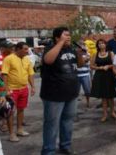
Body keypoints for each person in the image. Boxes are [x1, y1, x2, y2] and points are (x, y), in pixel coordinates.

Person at [40, 27, 84, 155]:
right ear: (57, 38)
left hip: (71, 93)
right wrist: (60, 43)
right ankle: (48, 150)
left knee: (67, 122)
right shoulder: (50, 48)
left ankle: (65, 145)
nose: (69, 37)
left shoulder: (71, 49)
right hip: (54, 95)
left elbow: (80, 65)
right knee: (51, 124)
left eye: (69, 35)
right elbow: (48, 60)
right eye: (65, 35)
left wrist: (80, 54)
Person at [1, 42, 35, 142]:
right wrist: (6, 89)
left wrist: (32, 86)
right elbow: (4, 75)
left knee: (21, 109)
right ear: (18, 49)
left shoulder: (27, 59)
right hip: (12, 90)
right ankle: (11, 134)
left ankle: (19, 129)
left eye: (27, 49)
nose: (27, 51)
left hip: (24, 89)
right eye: (25, 49)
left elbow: (30, 74)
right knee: (10, 111)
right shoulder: (9, 58)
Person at [90, 39, 116, 122]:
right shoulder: (95, 54)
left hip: (109, 76)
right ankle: (105, 114)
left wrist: (108, 66)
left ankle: (112, 112)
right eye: (99, 43)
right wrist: (99, 68)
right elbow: (91, 66)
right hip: (99, 76)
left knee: (111, 96)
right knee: (103, 97)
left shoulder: (110, 53)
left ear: (106, 44)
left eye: (102, 43)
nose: (101, 45)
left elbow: (115, 64)